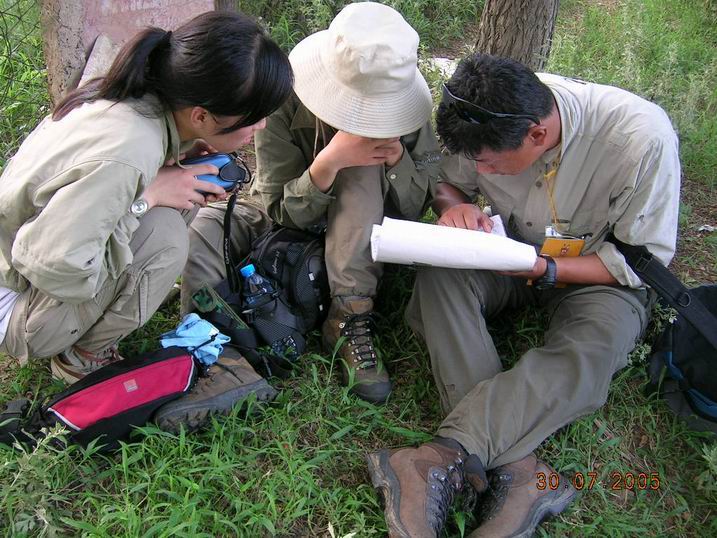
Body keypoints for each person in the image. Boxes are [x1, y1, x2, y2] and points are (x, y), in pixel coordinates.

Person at [367, 53, 680, 537]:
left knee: (594, 348)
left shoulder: (641, 141)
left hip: (597, 275)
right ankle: (518, 472)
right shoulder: (483, 113)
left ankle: (439, 457)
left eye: (489, 163)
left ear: (537, 135)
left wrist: (547, 268)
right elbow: (449, 183)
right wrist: (456, 207)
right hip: (505, 252)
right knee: (439, 278)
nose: (480, 168)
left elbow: (638, 263)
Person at [0, 10, 292, 409]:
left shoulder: (140, 99)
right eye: (253, 118)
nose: (261, 127)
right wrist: (146, 198)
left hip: (19, 265)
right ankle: (80, 358)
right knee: (166, 239)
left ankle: (108, 310)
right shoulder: (128, 152)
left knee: (179, 197)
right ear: (201, 116)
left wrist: (171, 167)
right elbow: (60, 269)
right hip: (19, 303)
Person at [182, 2, 442, 404]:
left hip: (365, 241)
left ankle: (349, 318)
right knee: (206, 227)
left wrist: (395, 161)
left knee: (362, 167)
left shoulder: (405, 109)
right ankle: (213, 349)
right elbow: (277, 209)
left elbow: (415, 208)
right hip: (289, 223)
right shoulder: (285, 100)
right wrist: (327, 163)